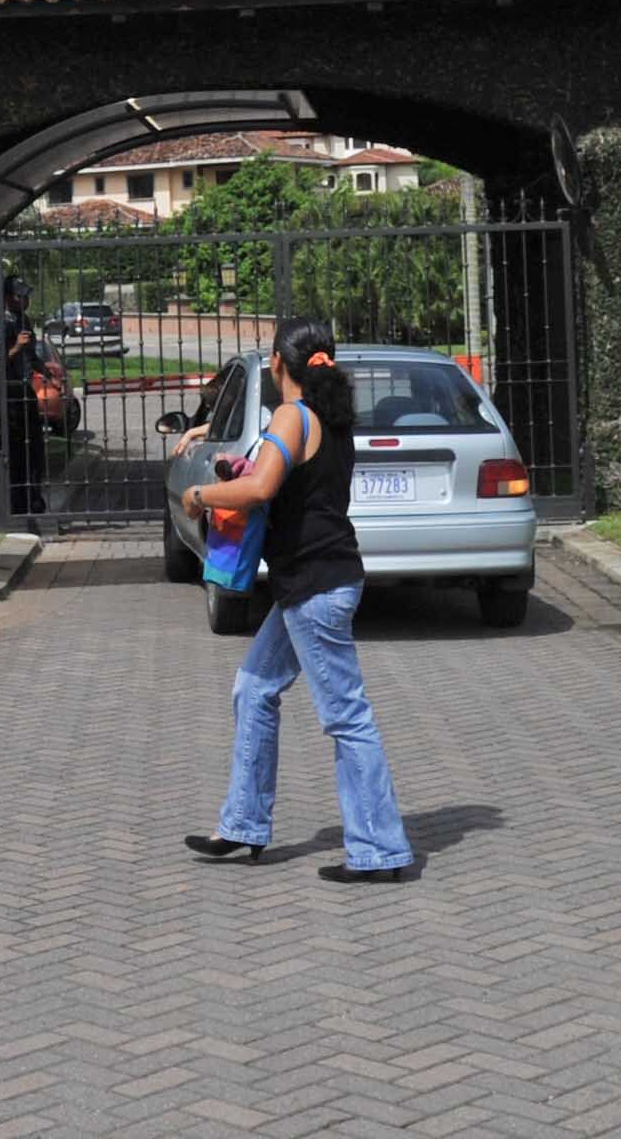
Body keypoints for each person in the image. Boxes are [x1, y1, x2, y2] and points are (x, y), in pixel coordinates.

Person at [180, 318, 416, 883]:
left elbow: (261, 489)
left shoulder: (293, 415)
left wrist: (199, 494)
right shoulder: (331, 418)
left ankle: (380, 849)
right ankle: (242, 824)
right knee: (254, 687)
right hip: (313, 583)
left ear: (276, 364)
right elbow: (284, 483)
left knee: (346, 716)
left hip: (316, 586)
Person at [0, 275, 46, 518]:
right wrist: (15, 346)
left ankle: (34, 497)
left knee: (34, 448)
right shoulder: (0, 323)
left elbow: (32, 356)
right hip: (8, 395)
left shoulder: (24, 320)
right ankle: (17, 502)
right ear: (7, 298)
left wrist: (48, 373)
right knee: (16, 451)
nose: (24, 300)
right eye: (19, 295)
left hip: (25, 392)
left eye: (26, 296)